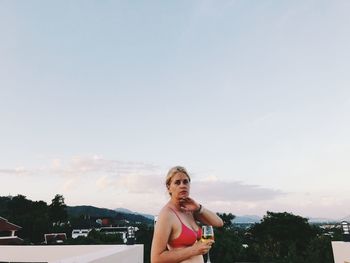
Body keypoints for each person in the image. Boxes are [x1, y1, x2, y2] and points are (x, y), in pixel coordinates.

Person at [151, 166, 224, 263]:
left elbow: (219, 223)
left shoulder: (190, 210)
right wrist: (194, 250)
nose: (182, 185)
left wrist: (198, 208)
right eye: (177, 182)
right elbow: (156, 259)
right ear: (169, 187)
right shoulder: (166, 215)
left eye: (186, 182)